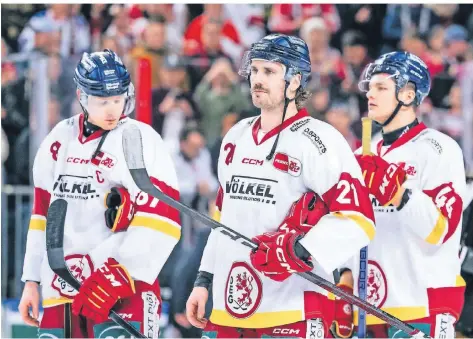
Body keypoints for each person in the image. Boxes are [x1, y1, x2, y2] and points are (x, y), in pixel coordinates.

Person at [185, 34, 376, 338]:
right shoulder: (235, 137)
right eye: (256, 70)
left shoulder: (319, 140)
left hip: (292, 309)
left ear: (295, 81)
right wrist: (204, 281)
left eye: (269, 72)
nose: (257, 80)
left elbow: (359, 219)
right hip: (228, 305)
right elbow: (222, 220)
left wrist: (299, 248)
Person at [18, 49, 181, 338]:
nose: (112, 110)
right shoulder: (59, 139)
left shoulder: (140, 139)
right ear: (81, 96)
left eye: (118, 100)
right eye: (103, 101)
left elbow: (163, 218)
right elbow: (42, 215)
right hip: (62, 286)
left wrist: (122, 272)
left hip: (122, 285)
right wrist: (31, 280)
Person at [338, 51, 466, 338]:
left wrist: (398, 192)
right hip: (369, 306)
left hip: (422, 306)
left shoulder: (438, 149)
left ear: (408, 95)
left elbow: (439, 230)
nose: (370, 94)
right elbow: (356, 227)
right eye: (370, 87)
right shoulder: (363, 154)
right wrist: (345, 283)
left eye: (381, 88)